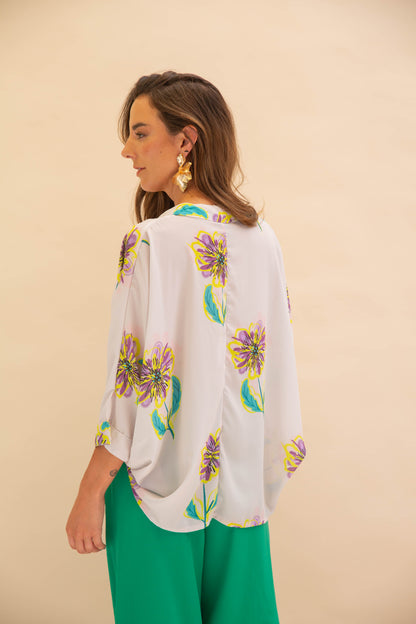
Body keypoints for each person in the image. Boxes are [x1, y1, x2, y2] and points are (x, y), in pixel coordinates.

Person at [65, 70, 306, 624]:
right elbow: (273, 367)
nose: (127, 151)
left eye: (140, 133)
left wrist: (90, 491)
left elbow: (133, 382)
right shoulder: (263, 239)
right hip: (239, 489)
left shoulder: (150, 241)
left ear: (186, 139)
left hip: (153, 486)